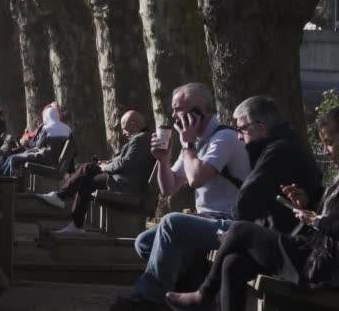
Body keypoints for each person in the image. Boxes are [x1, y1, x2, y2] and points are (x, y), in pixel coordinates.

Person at [110, 95, 322, 311]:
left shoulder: (225, 139)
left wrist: (188, 144)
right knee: (144, 242)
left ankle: (147, 301)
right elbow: (168, 189)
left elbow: (197, 180)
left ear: (197, 113)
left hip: (235, 221)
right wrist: (162, 160)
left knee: (171, 224)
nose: (173, 116)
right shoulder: (196, 143)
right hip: (227, 220)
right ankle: (178, 296)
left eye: (178, 109)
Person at [166, 106, 339, 311]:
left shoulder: (278, 148)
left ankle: (203, 294)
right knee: (233, 262)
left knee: (240, 230)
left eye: (330, 142)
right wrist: (306, 202)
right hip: (313, 252)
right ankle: (203, 296)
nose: (327, 151)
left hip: (325, 265)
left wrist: (315, 220)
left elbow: (243, 206)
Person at [36, 110, 155, 234]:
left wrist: (104, 167)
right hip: (124, 180)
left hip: (125, 185)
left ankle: (64, 202)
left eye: (124, 128)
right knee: (87, 170)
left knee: (87, 176)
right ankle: (66, 206)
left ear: (134, 124)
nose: (123, 132)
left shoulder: (140, 139)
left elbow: (126, 163)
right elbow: (126, 161)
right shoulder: (142, 138)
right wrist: (106, 163)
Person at [0, 104, 71, 177]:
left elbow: (39, 145)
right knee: (14, 157)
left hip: (44, 159)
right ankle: (3, 177)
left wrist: (30, 149)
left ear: (47, 117)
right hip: (56, 162)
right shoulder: (67, 129)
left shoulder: (47, 128)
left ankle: (5, 181)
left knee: (13, 158)